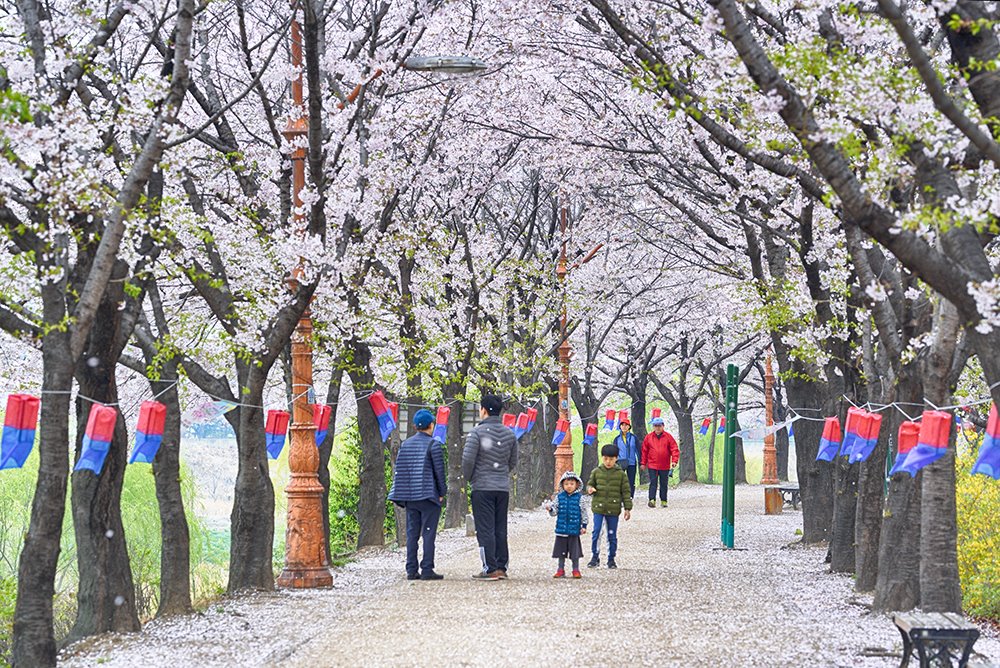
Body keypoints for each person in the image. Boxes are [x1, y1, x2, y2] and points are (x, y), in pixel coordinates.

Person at [462, 394, 518, 581]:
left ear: (483, 410)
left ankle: (490, 568)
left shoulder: (476, 433)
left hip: (482, 487)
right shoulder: (510, 434)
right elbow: (513, 461)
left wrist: (470, 478)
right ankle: (502, 566)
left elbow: (467, 461)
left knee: (485, 529)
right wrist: (500, 474)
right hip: (502, 488)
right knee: (500, 527)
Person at [388, 408, 447, 581]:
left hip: (411, 497)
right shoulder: (434, 445)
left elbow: (402, 471)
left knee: (412, 533)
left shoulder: (405, 444)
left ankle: (411, 569)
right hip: (429, 496)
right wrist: (442, 493)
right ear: (431, 425)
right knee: (428, 533)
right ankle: (427, 568)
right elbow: (439, 473)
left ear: (415, 426)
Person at [586, 444, 632, 569]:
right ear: (602, 458)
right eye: (606, 458)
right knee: (596, 532)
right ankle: (595, 557)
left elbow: (626, 492)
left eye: (611, 459)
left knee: (611, 535)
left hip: (613, 509)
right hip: (598, 508)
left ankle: (611, 559)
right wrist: (590, 489)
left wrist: (627, 508)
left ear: (616, 458)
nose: (608, 462)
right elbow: (589, 484)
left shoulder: (621, 474)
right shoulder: (596, 472)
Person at [544, 471, 589, 578]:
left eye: (572, 484)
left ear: (577, 485)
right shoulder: (559, 497)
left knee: (575, 553)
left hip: (574, 530)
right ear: (562, 485)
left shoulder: (580, 498)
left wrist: (584, 526)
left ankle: (576, 569)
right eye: (566, 484)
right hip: (561, 530)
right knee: (561, 552)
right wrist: (550, 509)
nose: (569, 486)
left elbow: (584, 513)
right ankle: (560, 569)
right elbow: (555, 512)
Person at [641, 417, 679, 508]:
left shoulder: (668, 437)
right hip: (652, 465)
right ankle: (652, 500)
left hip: (664, 465)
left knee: (663, 483)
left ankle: (664, 500)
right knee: (653, 482)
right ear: (653, 427)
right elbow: (644, 451)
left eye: (659, 426)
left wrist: (674, 461)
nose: (657, 428)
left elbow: (674, 449)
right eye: (655, 426)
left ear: (663, 426)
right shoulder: (648, 437)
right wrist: (643, 463)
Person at [613, 419, 640, 498]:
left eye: (626, 425)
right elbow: (614, 451)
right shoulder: (617, 439)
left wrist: (641, 462)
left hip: (632, 462)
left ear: (629, 427)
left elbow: (638, 450)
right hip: (620, 461)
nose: (624, 427)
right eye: (622, 425)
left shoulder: (634, 438)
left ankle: (630, 496)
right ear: (620, 427)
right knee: (620, 480)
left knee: (631, 480)